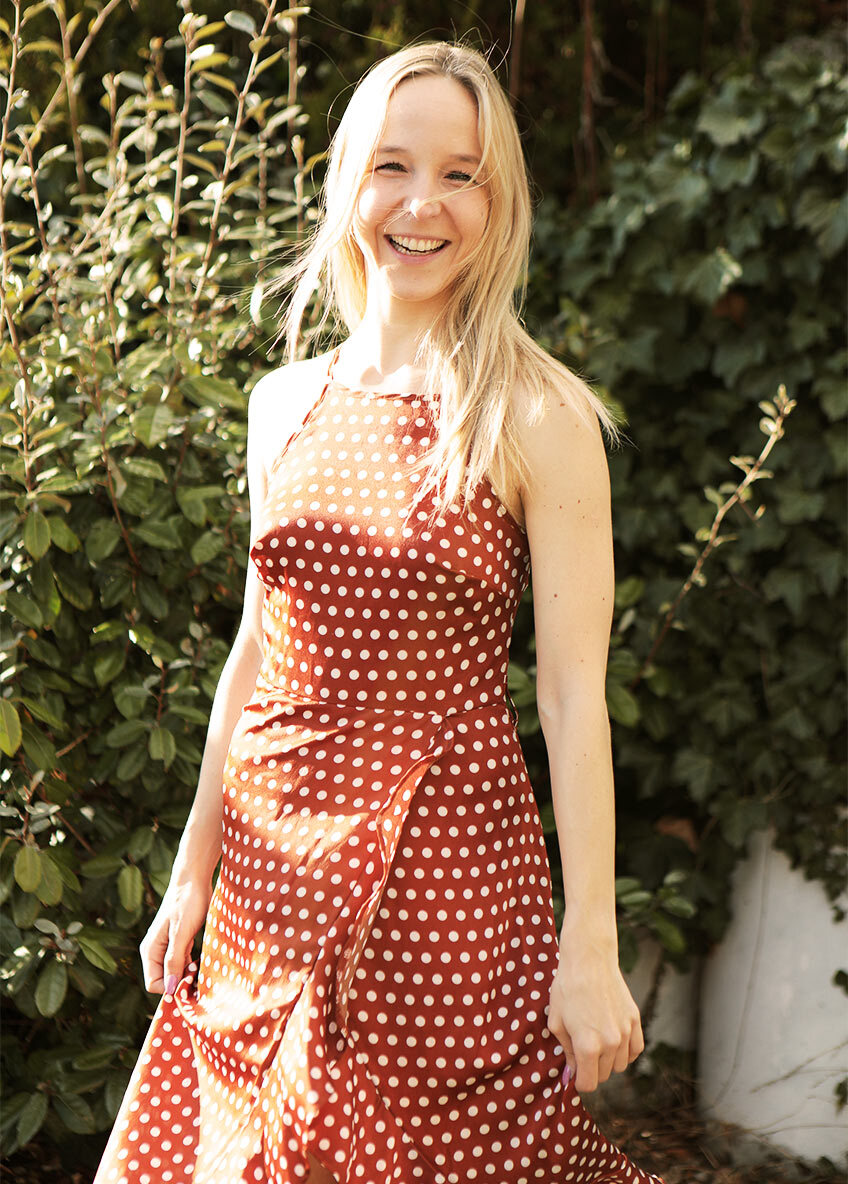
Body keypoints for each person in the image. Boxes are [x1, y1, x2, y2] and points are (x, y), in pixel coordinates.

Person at [94, 40, 665, 1184]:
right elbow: (255, 648)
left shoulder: (535, 415)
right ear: (347, 181)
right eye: (392, 166)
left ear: (498, 202)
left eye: (460, 175)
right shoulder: (282, 401)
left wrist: (590, 942)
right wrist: (192, 871)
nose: (421, 203)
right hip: (268, 882)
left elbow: (570, 695)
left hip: (446, 884)